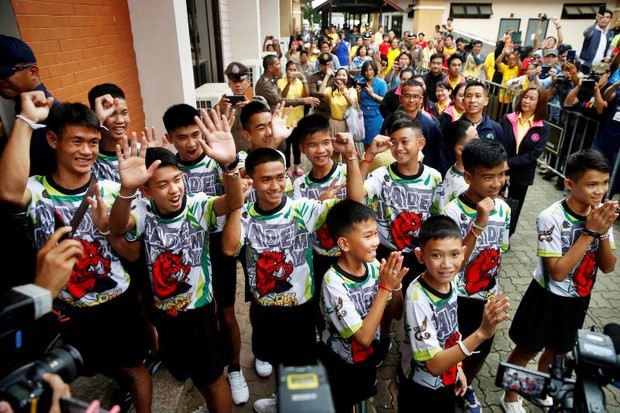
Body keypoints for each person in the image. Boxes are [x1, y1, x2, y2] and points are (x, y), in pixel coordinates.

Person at [0, 92, 153, 413]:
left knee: (133, 369)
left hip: (117, 303)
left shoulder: (114, 191)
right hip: (67, 307)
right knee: (73, 369)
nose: (87, 151)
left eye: (94, 142)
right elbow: (9, 193)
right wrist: (27, 121)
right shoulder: (38, 191)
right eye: (77, 141)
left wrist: (117, 211)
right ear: (53, 140)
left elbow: (135, 248)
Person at [108, 108, 245, 413]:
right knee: (196, 376)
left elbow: (233, 201)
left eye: (177, 180)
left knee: (213, 380)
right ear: (146, 190)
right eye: (163, 184)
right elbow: (117, 227)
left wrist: (230, 164)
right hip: (165, 316)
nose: (175, 190)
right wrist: (126, 189)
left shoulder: (196, 206)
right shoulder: (143, 211)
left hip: (199, 314)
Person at [221, 138, 364, 413]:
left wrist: (351, 157)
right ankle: (283, 400)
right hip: (264, 310)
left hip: (300, 310)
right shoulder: (246, 217)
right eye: (265, 180)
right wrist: (237, 202)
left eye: (279, 177)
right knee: (275, 360)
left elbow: (354, 202)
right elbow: (229, 248)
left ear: (287, 176)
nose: (274, 186)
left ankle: (302, 405)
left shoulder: (302, 209)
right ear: (251, 179)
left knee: (302, 365)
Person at [501, 149, 617, 413]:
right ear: (569, 183)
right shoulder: (551, 216)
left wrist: (604, 233)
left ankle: (541, 389)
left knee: (559, 350)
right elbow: (557, 272)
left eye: (604, 183)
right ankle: (510, 395)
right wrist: (590, 232)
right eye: (591, 184)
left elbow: (609, 267)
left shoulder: (601, 215)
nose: (599, 191)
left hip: (579, 297)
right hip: (546, 297)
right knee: (527, 349)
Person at [161, 103, 249, 405]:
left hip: (217, 241)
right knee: (200, 312)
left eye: (195, 135)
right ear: (170, 138)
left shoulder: (218, 160)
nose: (190, 143)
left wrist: (232, 163)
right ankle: (209, 370)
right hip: (185, 248)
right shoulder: (169, 167)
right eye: (181, 136)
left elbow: (241, 187)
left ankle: (235, 368)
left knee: (226, 310)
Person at [398, 215, 510, 412]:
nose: (447, 264)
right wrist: (481, 333)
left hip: (445, 379)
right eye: (436, 255)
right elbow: (433, 364)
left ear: (463, 253)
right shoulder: (417, 298)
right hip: (421, 389)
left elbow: (451, 331)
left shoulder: (452, 281)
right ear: (420, 256)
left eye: (454, 254)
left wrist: (457, 366)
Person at [442, 139, 511, 413]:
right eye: (488, 177)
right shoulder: (453, 212)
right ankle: (444, 387)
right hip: (457, 296)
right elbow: (452, 265)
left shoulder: (503, 208)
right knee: (454, 348)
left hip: (488, 295)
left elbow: (499, 252)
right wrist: (479, 224)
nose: (497, 183)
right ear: (468, 176)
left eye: (502, 174)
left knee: (481, 347)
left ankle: (465, 386)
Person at [319, 201, 406, 412]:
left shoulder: (374, 266)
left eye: (376, 233)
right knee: (342, 402)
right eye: (368, 236)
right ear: (345, 244)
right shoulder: (333, 283)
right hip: (340, 363)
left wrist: (396, 286)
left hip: (367, 357)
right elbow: (363, 337)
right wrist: (385, 287)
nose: (377, 241)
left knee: (363, 395)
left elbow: (396, 313)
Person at [0, 35, 56, 177]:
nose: (0, 80)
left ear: (33, 72)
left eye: (5, 73)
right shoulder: (22, 107)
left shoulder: (50, 114)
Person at [501, 87, 550, 236]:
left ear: (539, 103)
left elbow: (534, 154)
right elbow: (502, 145)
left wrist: (510, 164)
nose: (526, 101)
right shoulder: (508, 119)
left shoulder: (542, 127)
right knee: (497, 202)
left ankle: (507, 236)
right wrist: (505, 169)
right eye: (525, 97)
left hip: (523, 173)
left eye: (531, 98)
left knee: (515, 206)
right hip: (501, 170)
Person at [218, 61, 268, 153]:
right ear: (229, 84)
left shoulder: (259, 101)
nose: (238, 85)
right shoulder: (224, 104)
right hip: (231, 152)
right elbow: (209, 123)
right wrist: (218, 107)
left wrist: (251, 106)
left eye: (241, 81)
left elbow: (268, 121)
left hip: (254, 151)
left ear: (248, 82)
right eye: (234, 82)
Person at [88, 84, 131, 182]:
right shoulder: (88, 158)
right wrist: (97, 122)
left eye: (124, 113)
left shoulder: (140, 151)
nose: (120, 120)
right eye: (111, 114)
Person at [437, 119, 478, 210]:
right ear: (460, 150)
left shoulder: (455, 169)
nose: (480, 142)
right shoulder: (464, 186)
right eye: (475, 139)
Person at [277, 61, 308, 176]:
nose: (292, 72)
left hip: (297, 119)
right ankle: (287, 167)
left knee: (297, 144)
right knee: (286, 145)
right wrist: (289, 83)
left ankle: (297, 165)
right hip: (285, 120)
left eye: (295, 70)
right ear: (286, 71)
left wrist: (304, 80)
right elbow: (281, 97)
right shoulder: (280, 82)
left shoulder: (300, 82)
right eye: (290, 70)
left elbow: (306, 95)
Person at [320, 68, 357, 146]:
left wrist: (343, 91)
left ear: (348, 78)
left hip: (346, 123)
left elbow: (351, 102)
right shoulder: (331, 91)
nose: (341, 77)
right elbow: (320, 93)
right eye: (339, 75)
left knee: (345, 150)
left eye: (344, 75)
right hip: (333, 123)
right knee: (333, 149)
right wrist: (327, 75)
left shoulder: (351, 91)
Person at [357, 60, 387, 149]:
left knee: (375, 142)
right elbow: (359, 100)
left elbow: (384, 100)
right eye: (366, 70)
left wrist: (373, 94)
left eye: (370, 70)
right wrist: (357, 92)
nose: (368, 73)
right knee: (365, 142)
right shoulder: (361, 82)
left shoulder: (381, 83)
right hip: (363, 115)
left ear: (374, 70)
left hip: (376, 115)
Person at [579, 8, 614, 74]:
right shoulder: (593, 30)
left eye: (607, 17)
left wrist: (608, 56)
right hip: (586, 65)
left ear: (610, 19)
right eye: (602, 17)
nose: (604, 19)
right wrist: (596, 21)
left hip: (599, 68)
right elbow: (585, 33)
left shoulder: (609, 33)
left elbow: (610, 47)